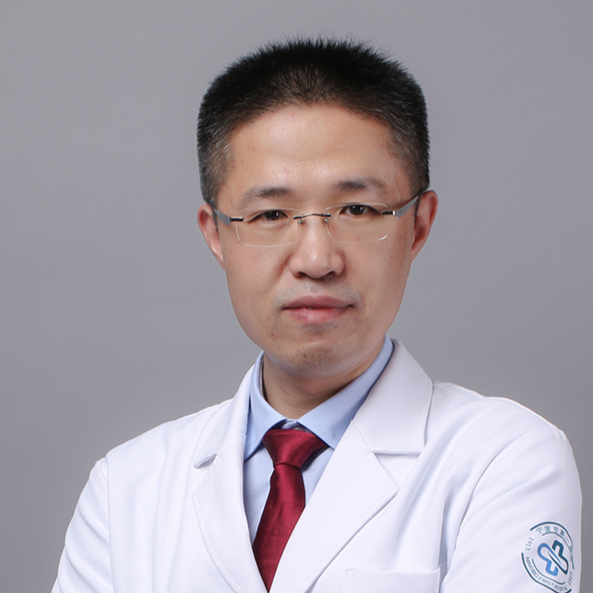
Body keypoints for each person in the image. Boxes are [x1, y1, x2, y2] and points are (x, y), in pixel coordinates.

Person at [52, 38, 581, 593]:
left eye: (357, 209)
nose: (316, 259)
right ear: (216, 235)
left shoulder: (504, 461)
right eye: (271, 214)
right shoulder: (126, 488)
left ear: (418, 225)